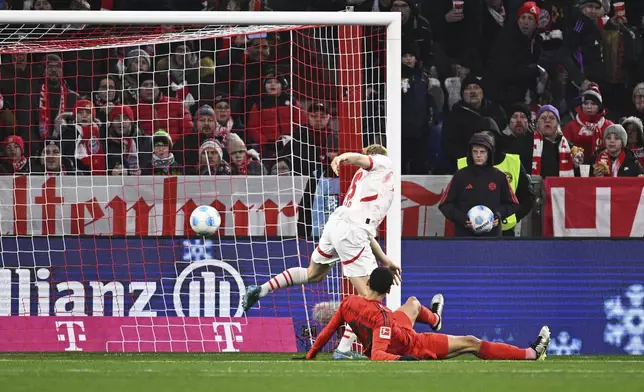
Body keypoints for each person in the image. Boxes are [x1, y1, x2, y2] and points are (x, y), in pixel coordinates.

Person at [243, 144, 401, 359]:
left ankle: (260, 290)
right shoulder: (382, 163)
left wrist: (385, 260)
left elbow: (367, 232)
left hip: (338, 224)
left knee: (314, 274)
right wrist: (343, 156)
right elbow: (362, 159)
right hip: (352, 232)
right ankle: (344, 350)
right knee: (371, 297)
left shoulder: (363, 180)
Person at [306, 267, 551, 361]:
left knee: (412, 303)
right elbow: (378, 354)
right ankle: (531, 353)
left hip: (396, 328)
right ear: (389, 289)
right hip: (411, 345)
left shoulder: (350, 302)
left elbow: (329, 331)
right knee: (472, 343)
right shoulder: (381, 318)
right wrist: (403, 360)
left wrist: (311, 355)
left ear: (368, 282)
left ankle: (435, 319)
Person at [439, 133, 520, 237]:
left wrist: (498, 215)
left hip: (492, 236)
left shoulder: (499, 176)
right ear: (470, 153)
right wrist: (462, 218)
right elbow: (445, 204)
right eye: (475, 151)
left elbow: (513, 204)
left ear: (489, 153)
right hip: (464, 235)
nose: (478, 155)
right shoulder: (460, 175)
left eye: (482, 152)